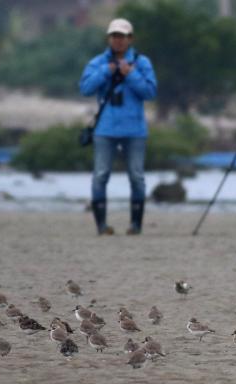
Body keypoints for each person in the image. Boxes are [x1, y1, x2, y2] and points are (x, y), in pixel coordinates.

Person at [79, 18, 157, 235]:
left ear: (130, 39)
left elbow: (150, 92)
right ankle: (101, 225)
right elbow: (85, 88)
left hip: (135, 129)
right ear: (108, 38)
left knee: (137, 176)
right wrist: (106, 71)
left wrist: (130, 75)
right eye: (114, 36)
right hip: (105, 129)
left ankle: (136, 225)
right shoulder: (97, 63)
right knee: (101, 175)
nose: (118, 41)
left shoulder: (142, 63)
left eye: (122, 36)